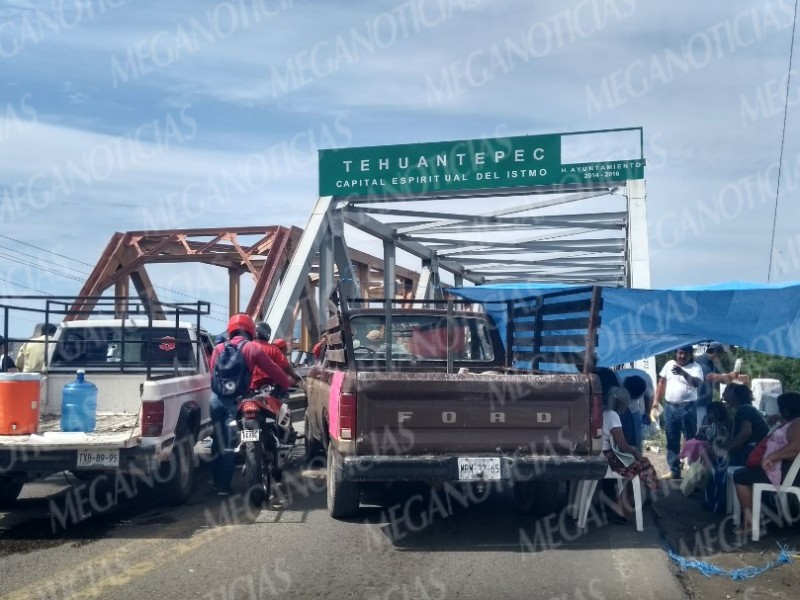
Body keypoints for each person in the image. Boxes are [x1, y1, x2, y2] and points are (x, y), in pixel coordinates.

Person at [208, 313, 294, 495]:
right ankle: (223, 488)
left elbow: (212, 374)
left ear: (231, 329)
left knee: (218, 439)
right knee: (229, 445)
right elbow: (274, 369)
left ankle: (214, 482)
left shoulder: (218, 348)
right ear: (250, 330)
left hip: (215, 400)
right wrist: (286, 383)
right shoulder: (251, 348)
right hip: (237, 400)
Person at [733, 392, 800, 537]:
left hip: (787, 475)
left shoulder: (797, 424)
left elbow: (795, 447)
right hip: (785, 471)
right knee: (746, 473)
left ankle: (750, 523)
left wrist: (771, 457)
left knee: (740, 476)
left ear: (786, 410)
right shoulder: (793, 423)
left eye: (780, 408)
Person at [602, 386, 660, 524]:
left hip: (601, 454)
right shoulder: (613, 416)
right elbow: (623, 446)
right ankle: (625, 508)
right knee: (642, 468)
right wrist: (634, 450)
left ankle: (622, 505)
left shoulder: (603, 412)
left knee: (640, 467)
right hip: (608, 458)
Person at [652, 346, 703, 479]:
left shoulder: (696, 367)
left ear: (691, 355)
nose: (682, 356)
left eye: (686, 354)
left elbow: (697, 383)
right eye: (680, 353)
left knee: (691, 440)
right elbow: (661, 382)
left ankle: (693, 473)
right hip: (670, 407)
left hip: (688, 408)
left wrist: (683, 373)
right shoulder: (669, 364)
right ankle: (674, 471)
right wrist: (656, 401)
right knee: (671, 439)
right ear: (676, 353)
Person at [694, 342, 743, 427]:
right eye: (720, 353)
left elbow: (719, 382)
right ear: (715, 352)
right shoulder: (702, 361)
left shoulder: (711, 363)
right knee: (700, 431)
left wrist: (728, 393)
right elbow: (712, 378)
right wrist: (733, 375)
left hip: (705, 403)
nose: (721, 357)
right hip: (699, 404)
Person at [723, 383, 769, 466]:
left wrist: (729, 447)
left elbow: (746, 432)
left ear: (735, 397)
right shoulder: (750, 409)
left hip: (748, 452)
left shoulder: (744, 410)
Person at [250, 322, 302, 392]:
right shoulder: (273, 349)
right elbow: (286, 367)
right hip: (269, 387)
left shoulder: (247, 347)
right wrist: (295, 377)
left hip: (250, 388)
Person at [619, 373, 650, 452]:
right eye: (632, 397)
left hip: (634, 412)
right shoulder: (617, 382)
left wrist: (647, 413)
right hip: (618, 410)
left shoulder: (646, 381)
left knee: (636, 438)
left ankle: (637, 460)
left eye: (635, 397)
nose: (632, 399)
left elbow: (648, 396)